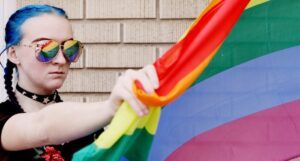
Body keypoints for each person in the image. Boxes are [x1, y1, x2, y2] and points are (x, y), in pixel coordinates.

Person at [0, 4, 159, 161]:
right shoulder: (3, 121)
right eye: (46, 49)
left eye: (70, 48)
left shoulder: (89, 126)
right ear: (13, 53)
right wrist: (111, 107)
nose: (61, 60)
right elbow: (43, 127)